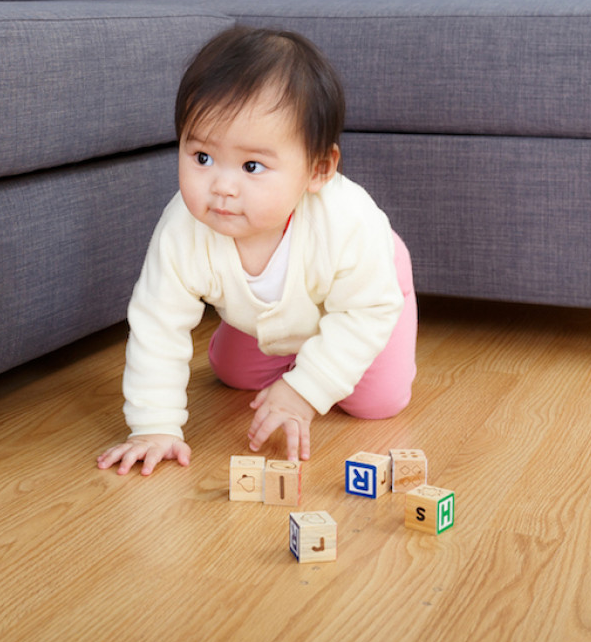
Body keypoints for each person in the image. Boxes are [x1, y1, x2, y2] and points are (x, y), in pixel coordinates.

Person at [97, 26, 417, 476]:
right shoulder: (182, 230)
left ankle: (312, 352)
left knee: (377, 402)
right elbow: (157, 322)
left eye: (252, 166)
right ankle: (284, 339)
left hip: (368, 296)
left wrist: (306, 388)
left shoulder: (346, 223)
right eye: (202, 157)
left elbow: (368, 308)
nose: (222, 187)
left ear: (319, 169)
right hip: (265, 312)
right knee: (234, 375)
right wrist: (153, 425)